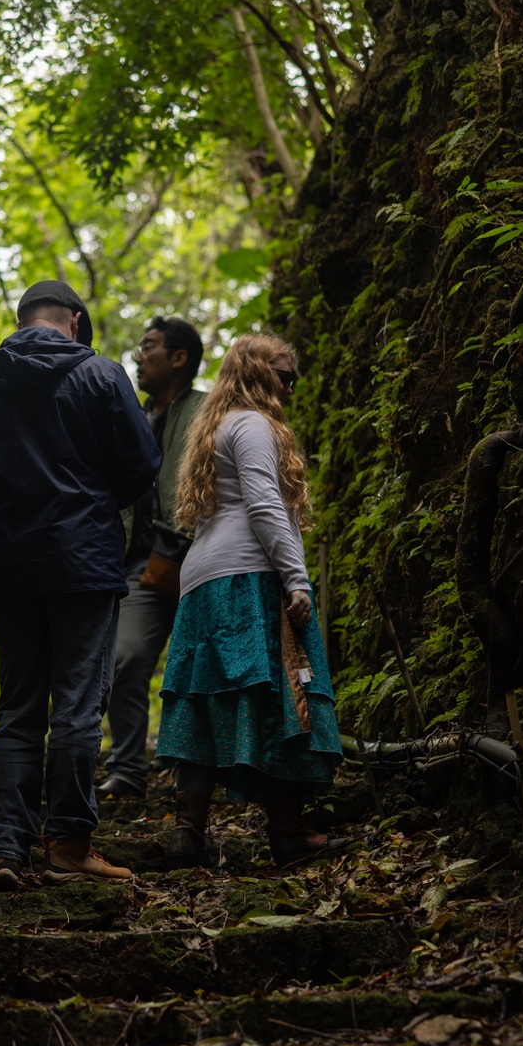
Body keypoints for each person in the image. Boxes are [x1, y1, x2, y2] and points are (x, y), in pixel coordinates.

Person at [0, 279, 161, 889]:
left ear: (21, 322)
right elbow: (143, 465)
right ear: (73, 319)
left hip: (13, 567)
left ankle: (6, 849)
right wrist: (95, 499)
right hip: (84, 562)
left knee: (17, 709)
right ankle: (68, 841)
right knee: (75, 705)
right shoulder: (101, 374)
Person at [155, 331, 345, 868]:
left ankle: (187, 832)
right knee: (275, 695)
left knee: (204, 696)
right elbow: (264, 504)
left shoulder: (216, 425)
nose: (291, 385)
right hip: (248, 577)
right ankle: (287, 831)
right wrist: (296, 578)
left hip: (202, 581)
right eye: (284, 373)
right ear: (259, 371)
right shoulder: (255, 425)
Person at [98, 315, 206, 801]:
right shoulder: (130, 417)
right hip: (142, 565)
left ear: (179, 358)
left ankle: (205, 770)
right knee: (125, 658)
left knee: (208, 666)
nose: (139, 357)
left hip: (205, 561)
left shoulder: (208, 412)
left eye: (149, 347)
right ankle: (127, 768)